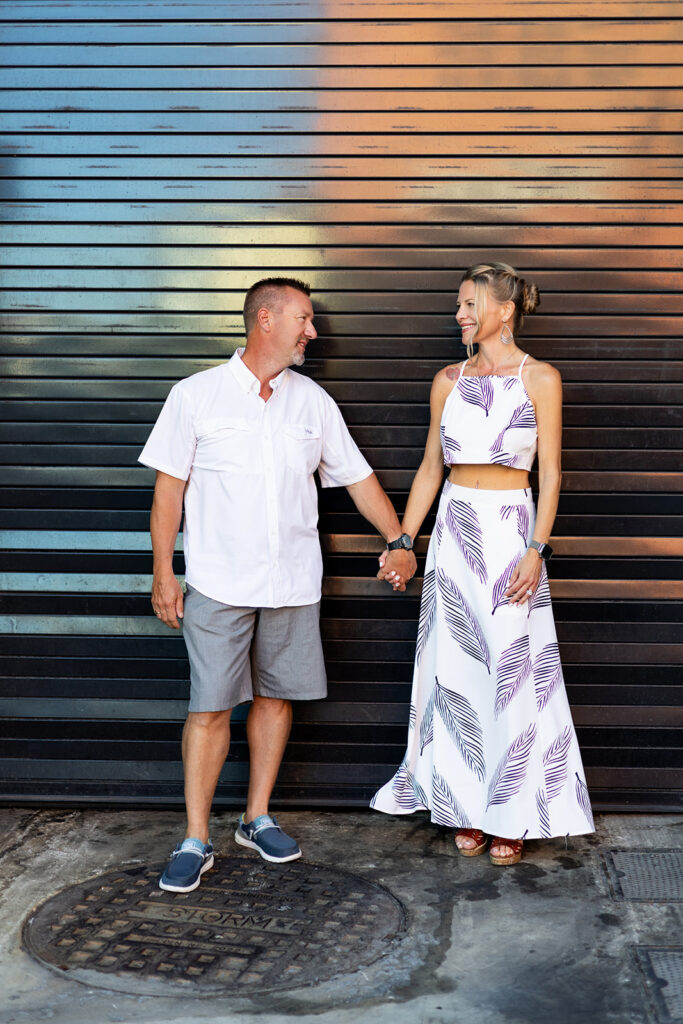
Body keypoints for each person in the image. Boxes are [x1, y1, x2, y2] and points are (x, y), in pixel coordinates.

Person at [139, 277, 417, 892]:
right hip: (219, 582)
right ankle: (195, 837)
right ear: (265, 320)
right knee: (210, 708)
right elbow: (168, 493)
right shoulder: (196, 395)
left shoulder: (312, 401)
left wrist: (398, 539)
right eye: (304, 319)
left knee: (275, 698)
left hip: (292, 582)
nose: (312, 331)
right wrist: (163, 572)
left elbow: (356, 477)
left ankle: (256, 817)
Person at [372, 262, 594, 865]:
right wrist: (405, 539)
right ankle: (465, 806)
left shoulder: (541, 377)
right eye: (459, 306)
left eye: (470, 304)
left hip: (509, 533)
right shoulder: (447, 380)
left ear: (504, 310)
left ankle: (513, 812)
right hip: (454, 531)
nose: (460, 315)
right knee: (457, 672)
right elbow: (430, 467)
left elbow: (551, 473)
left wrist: (537, 549)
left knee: (513, 670)